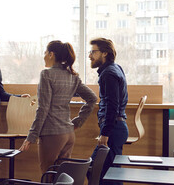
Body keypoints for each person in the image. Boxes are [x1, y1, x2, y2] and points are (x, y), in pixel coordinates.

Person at [18, 40, 98, 173]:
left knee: (48, 176)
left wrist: (31, 136)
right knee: (61, 177)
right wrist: (78, 121)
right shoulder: (72, 76)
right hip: (68, 134)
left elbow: (43, 108)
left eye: (45, 53)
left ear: (51, 54)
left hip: (52, 134)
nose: (44, 56)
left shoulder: (46, 74)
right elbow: (92, 98)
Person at [88, 38, 128, 185]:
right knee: (109, 174)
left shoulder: (108, 74)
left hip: (113, 129)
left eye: (93, 52)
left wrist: (105, 132)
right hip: (116, 127)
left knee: (103, 174)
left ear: (104, 53)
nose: (89, 56)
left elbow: (112, 105)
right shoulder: (115, 68)